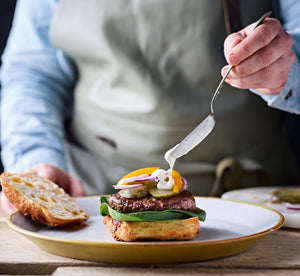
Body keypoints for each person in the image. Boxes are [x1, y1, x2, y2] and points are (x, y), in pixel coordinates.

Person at [0, 0, 299, 214]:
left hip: (254, 201)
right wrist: (35, 158)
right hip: (89, 196)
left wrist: (284, 69)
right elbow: (33, 72)